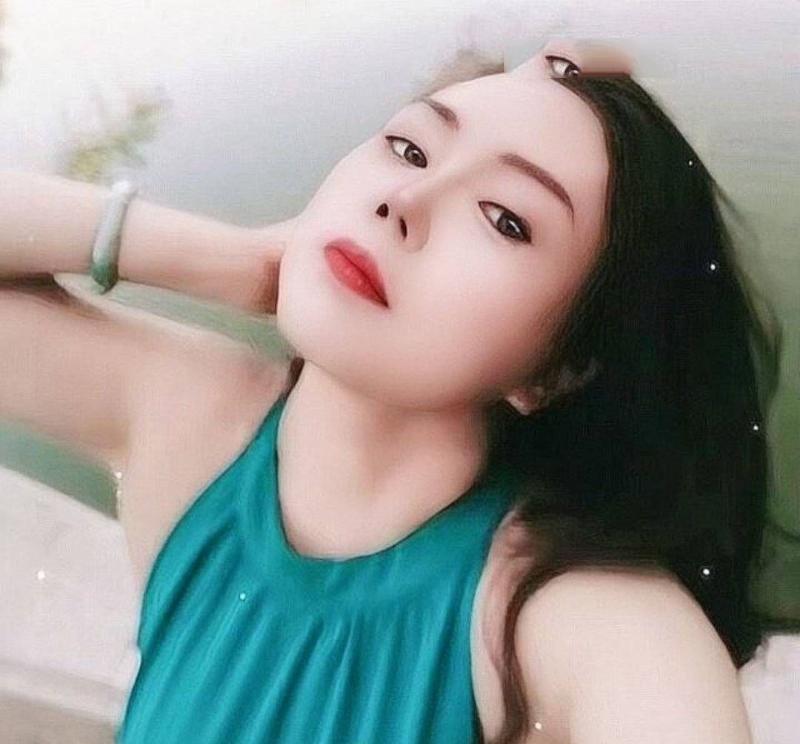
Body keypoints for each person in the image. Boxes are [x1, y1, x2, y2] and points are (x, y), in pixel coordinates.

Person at [0, 38, 783, 744]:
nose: (403, 203)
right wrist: (232, 261)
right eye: (410, 149)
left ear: (560, 368)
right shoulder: (193, 425)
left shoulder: (561, 617)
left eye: (504, 218)